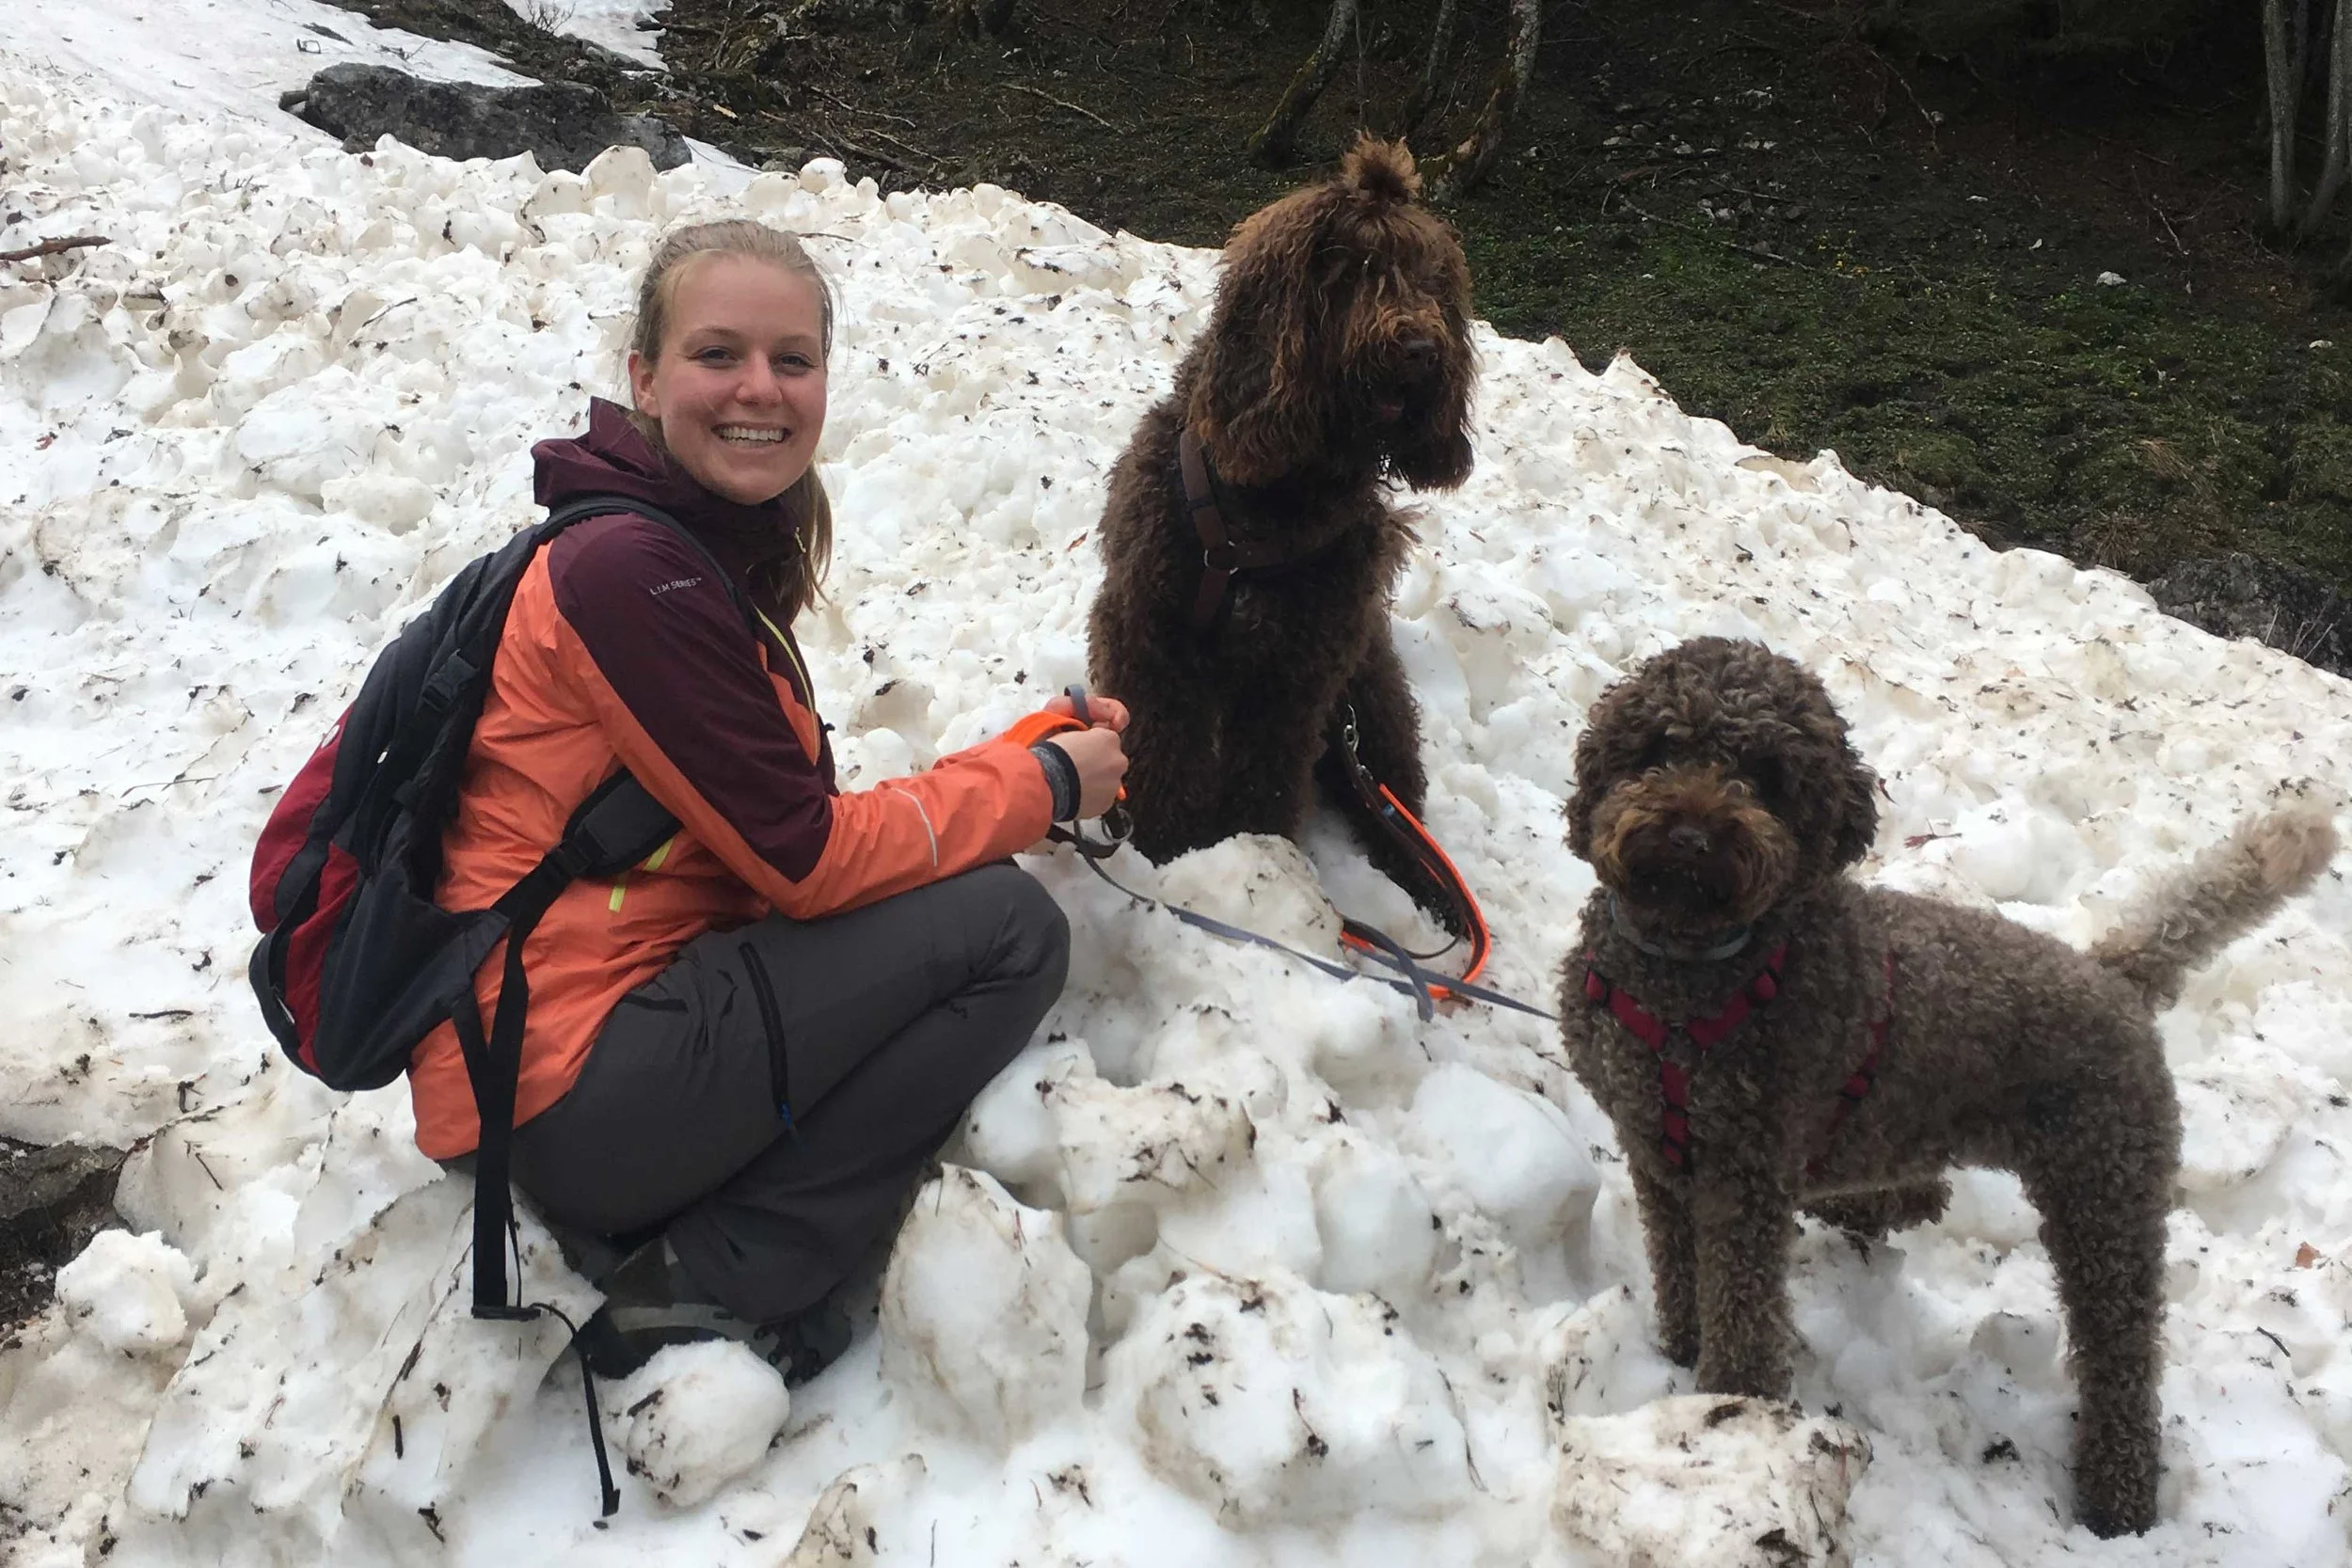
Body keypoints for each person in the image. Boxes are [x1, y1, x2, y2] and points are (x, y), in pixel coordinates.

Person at [405, 218, 1128, 1380]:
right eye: (718, 354)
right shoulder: (630, 577)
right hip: (567, 1087)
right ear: (643, 377)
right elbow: (807, 862)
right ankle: (725, 1270)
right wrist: (1041, 782)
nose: (761, 388)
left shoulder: (675, 543)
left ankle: (698, 1189)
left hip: (540, 1057)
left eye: (792, 360)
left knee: (941, 908)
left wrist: (1017, 761)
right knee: (1007, 930)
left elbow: (766, 824)